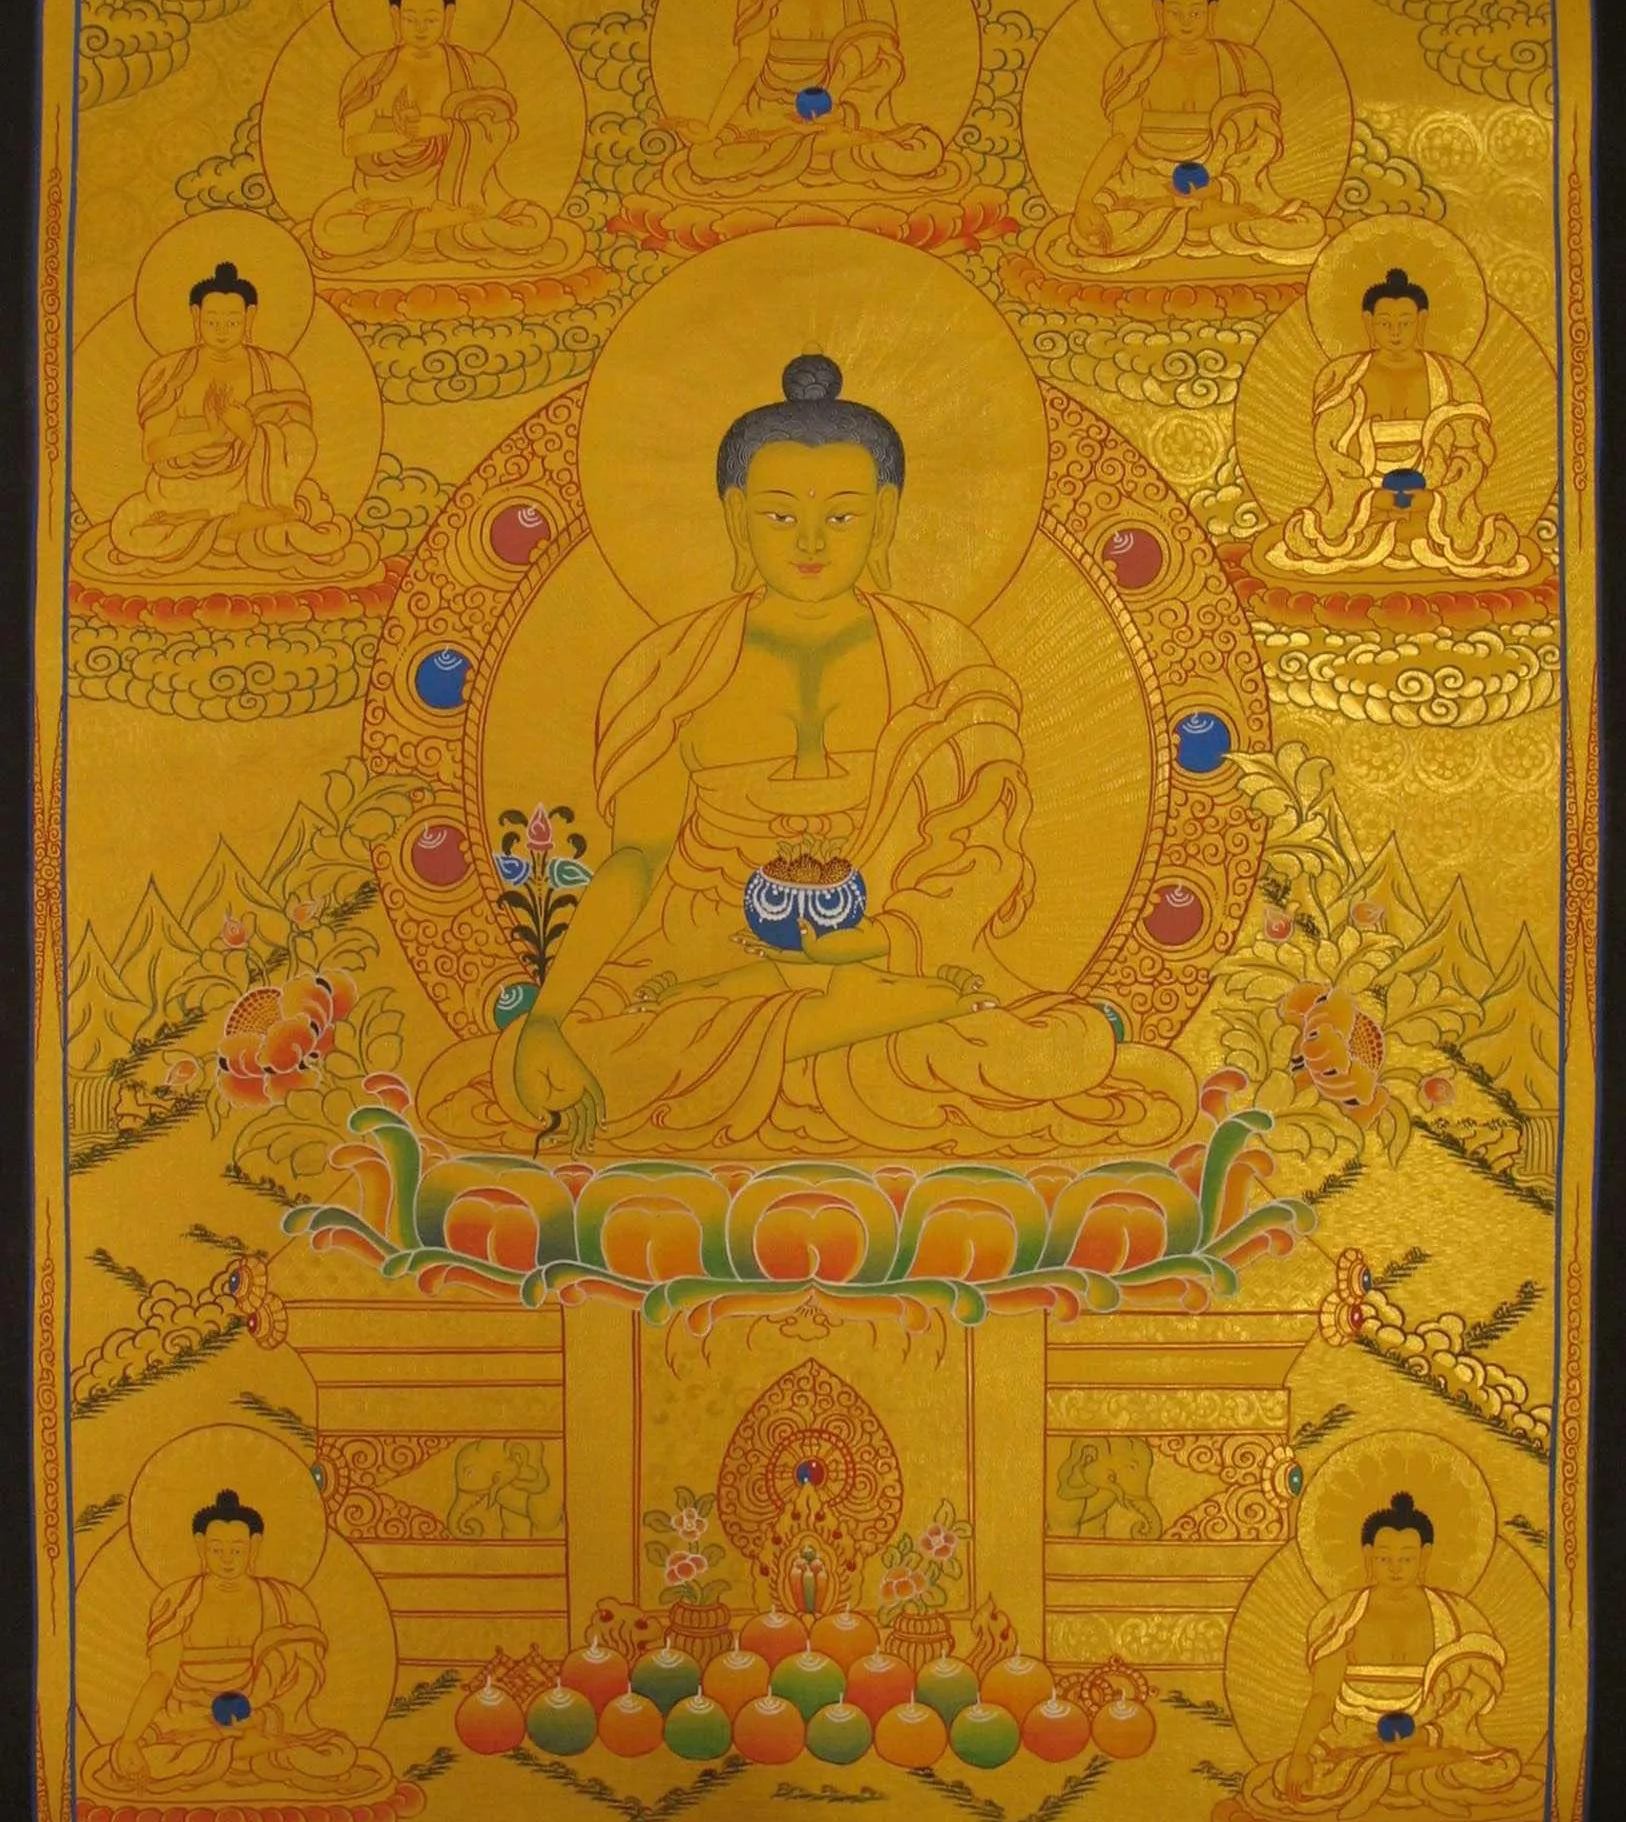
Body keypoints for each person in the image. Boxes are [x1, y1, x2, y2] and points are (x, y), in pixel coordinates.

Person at [419, 352, 1195, 1160]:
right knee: (586, 1052)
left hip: (887, 957)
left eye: (844, 517)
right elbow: (637, 859)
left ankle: (826, 1028)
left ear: (886, 517)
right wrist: (550, 1013)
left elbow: (979, 852)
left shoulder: (941, 658)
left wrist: (877, 941)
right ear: (737, 518)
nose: (813, 543)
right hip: (706, 961)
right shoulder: (671, 668)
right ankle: (831, 1029)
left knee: (1060, 1041)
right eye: (781, 516)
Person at [1241, 1490, 1543, 1822]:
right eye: (1385, 1558)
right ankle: (1406, 1769)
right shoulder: (1344, 1616)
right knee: (1296, 1775)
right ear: (1368, 1556)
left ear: (1425, 1556)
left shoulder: (1456, 1615)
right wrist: (1300, 1754)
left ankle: (1390, 1769)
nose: (1396, 1568)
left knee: (1502, 1767)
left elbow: (1473, 1690)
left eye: (1407, 1558)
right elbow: (1323, 1695)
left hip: (1430, 1733)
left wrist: (1426, 1735)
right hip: (1354, 1736)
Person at [72, 263, 379, 586]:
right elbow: (153, 450)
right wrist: (211, 435)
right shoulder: (170, 372)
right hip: (181, 489)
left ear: (249, 317)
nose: (222, 330)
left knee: (300, 482)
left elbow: (300, 443)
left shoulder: (275, 370)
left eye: (232, 321)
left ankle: (215, 523)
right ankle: (238, 524)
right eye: (212, 321)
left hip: (248, 484)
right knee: (127, 530)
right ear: (195, 316)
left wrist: (250, 432)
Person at [82, 1489, 392, 1800]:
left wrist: (263, 1717)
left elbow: (304, 1676)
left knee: (339, 1752)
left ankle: (236, 1751)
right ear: (201, 1545)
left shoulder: (285, 1601)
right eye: (217, 1549)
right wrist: (130, 1739)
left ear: (254, 1546)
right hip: (191, 1719)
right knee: (143, 1757)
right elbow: (161, 1677)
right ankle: (247, 1753)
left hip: (265, 1718)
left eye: (237, 1549)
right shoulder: (177, 1602)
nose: (227, 1560)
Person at [660, 0, 964, 198]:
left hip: (845, 112)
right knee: (706, 159)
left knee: (925, 150)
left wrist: (842, 109)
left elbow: (885, 65)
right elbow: (749, 64)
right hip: (774, 112)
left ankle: (816, 145)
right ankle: (825, 147)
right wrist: (712, 128)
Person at [306, 0, 572, 273]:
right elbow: (352, 144)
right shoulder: (371, 73)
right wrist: (406, 135)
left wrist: (444, 127)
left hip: (459, 192)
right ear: (395, 16)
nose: (421, 28)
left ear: (449, 16)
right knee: (327, 230)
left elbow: (503, 130)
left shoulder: (476, 70)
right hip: (383, 195)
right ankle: (438, 224)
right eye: (410, 19)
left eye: (431, 19)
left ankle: (425, 225)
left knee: (535, 224)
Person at [1068, 0, 1325, 269]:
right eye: (1175, 12)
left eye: (1195, 12)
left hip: (1222, 181)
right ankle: (1202, 221)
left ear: (1211, 11)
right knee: (1090, 232)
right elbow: (1121, 139)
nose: (1186, 21)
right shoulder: (1134, 66)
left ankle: (1186, 218)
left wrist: (1217, 188)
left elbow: (1260, 143)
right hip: (1147, 179)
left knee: (1307, 227)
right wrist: (1084, 200)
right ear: (1159, 11)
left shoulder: (1244, 64)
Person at [1273, 267, 1531, 577]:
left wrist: (1436, 499)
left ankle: (1414, 530)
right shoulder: (1342, 378)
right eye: (1385, 323)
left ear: (1422, 321)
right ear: (1368, 322)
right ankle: (1391, 530)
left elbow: (1469, 452)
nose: (1395, 332)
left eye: (1405, 323)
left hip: (1435, 498)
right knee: (1305, 537)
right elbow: (1331, 453)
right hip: (1363, 499)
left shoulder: (1454, 379)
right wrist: (1369, 499)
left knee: (1493, 543)